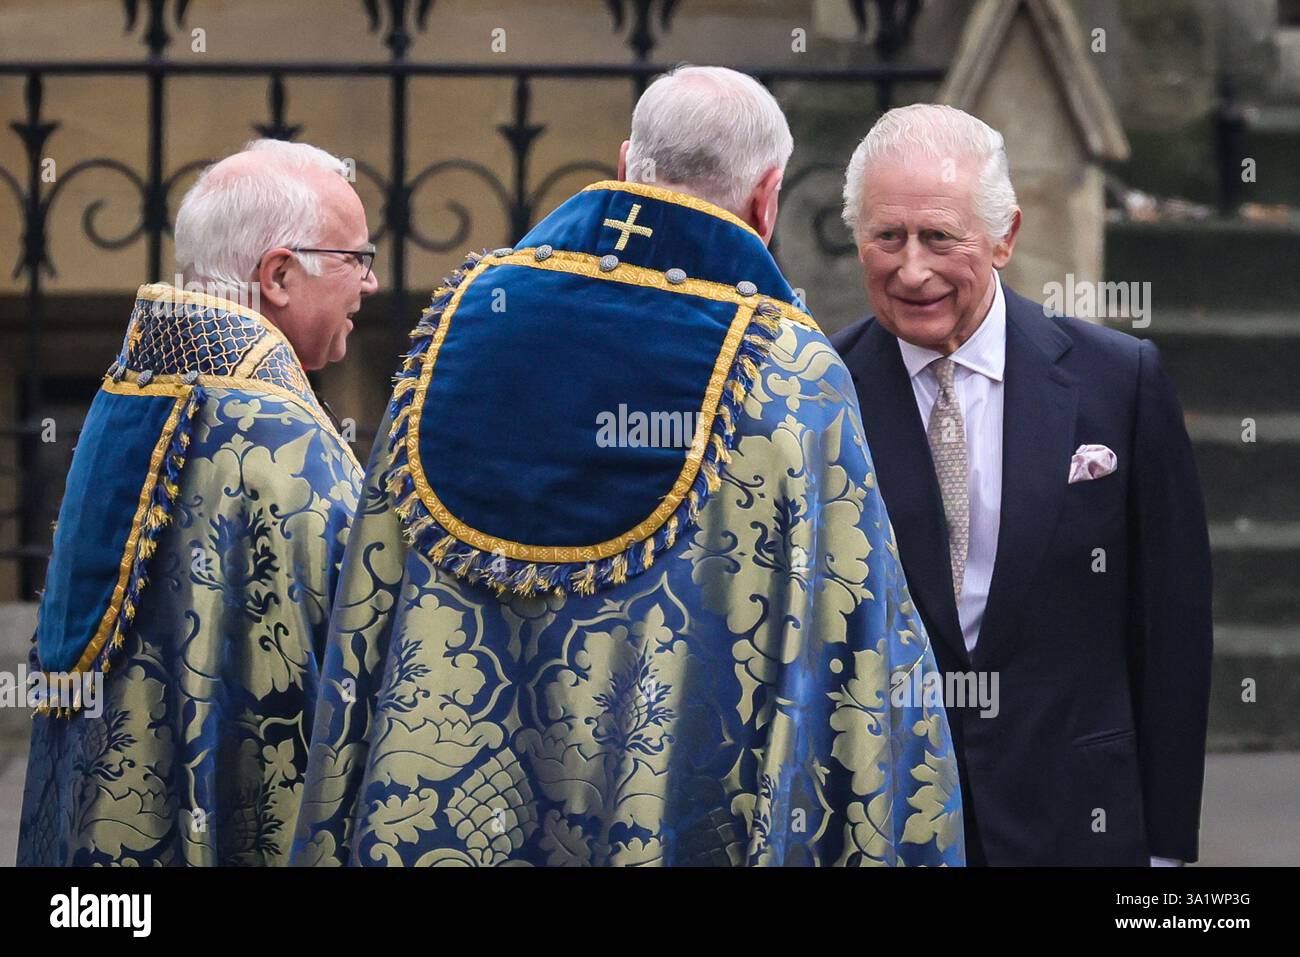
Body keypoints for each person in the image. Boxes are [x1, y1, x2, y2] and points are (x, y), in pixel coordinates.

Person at [291, 66, 963, 867]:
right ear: (767, 196)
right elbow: (856, 656)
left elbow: (369, 611)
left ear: (625, 164)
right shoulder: (789, 371)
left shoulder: (461, 322)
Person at [831, 104, 1213, 866]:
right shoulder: (820, 394)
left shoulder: (1119, 381)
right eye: (887, 237)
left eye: (940, 236)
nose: (912, 268)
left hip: (1082, 821)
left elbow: (1170, 623)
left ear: (1004, 237)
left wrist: (1167, 843)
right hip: (886, 827)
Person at [18, 139, 375, 866]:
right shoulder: (278, 439)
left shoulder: (128, 395)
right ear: (279, 273)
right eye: (356, 260)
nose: (369, 284)